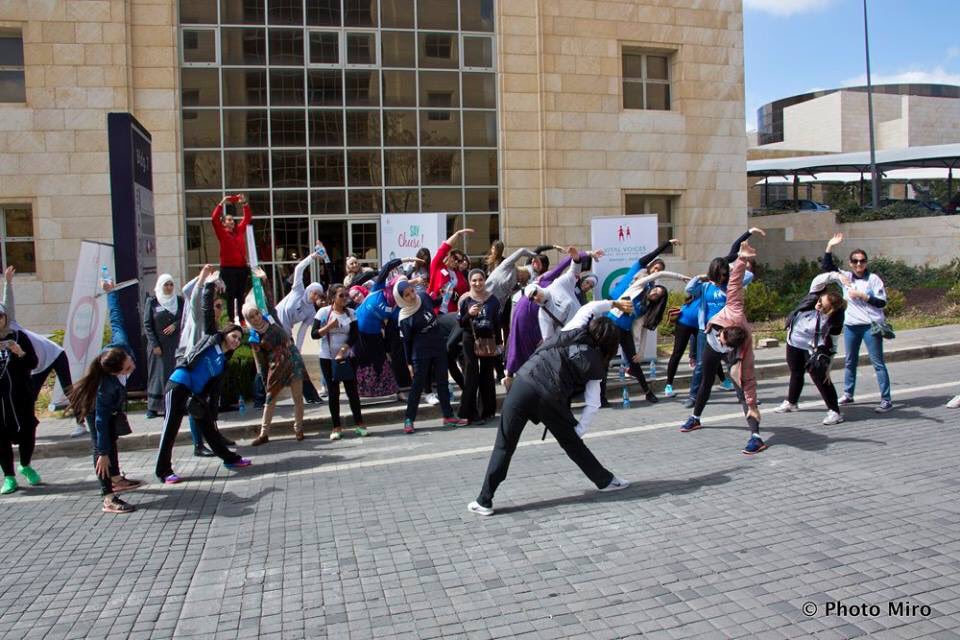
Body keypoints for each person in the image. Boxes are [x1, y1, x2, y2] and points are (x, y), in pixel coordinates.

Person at [467, 299, 634, 516]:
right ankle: (605, 481)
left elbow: (589, 308)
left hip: (523, 384)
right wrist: (578, 430)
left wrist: (614, 304)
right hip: (550, 400)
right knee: (573, 444)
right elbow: (593, 404)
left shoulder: (574, 329)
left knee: (504, 447)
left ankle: (484, 500)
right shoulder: (597, 366)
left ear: (592, 327)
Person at [155, 278, 251, 484]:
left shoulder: (223, 362)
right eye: (234, 336)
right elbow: (207, 309)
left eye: (239, 338)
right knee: (170, 427)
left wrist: (209, 407)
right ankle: (163, 471)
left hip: (195, 396)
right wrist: (209, 285)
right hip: (179, 384)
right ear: (225, 334)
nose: (236, 340)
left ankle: (231, 459)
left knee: (209, 428)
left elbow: (212, 389)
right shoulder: (211, 338)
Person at [679, 242, 765, 455]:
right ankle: (696, 417)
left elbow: (749, 382)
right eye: (721, 335)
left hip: (733, 352)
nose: (719, 337)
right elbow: (735, 282)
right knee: (706, 380)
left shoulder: (743, 351)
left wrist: (752, 404)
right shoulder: (733, 308)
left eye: (722, 339)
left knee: (742, 390)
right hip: (709, 344)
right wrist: (742, 258)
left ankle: (756, 436)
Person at [66, 280, 143, 512]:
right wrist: (102, 453)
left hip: (109, 407)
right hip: (94, 410)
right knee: (103, 445)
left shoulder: (121, 345)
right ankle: (108, 496)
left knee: (112, 438)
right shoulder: (103, 387)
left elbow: (117, 319)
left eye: (130, 362)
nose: (132, 366)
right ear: (114, 373)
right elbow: (100, 422)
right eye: (127, 369)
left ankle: (117, 478)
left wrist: (111, 293)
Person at [682, 229, 763, 408]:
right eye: (718, 275)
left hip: (728, 331)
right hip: (708, 331)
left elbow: (749, 275)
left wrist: (731, 269)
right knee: (701, 366)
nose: (722, 278)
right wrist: (701, 277)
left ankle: (745, 396)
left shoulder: (732, 285)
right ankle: (693, 397)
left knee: (735, 365)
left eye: (724, 275)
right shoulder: (705, 287)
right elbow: (689, 289)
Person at [605, 240, 686, 404]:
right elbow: (653, 264)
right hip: (612, 317)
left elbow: (643, 328)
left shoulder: (648, 298)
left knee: (633, 361)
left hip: (624, 328)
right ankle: (600, 396)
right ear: (650, 267)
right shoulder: (639, 280)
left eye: (659, 270)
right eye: (655, 268)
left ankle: (648, 392)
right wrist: (668, 244)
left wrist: (641, 351)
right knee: (605, 360)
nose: (656, 271)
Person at [822, 233, 893, 413]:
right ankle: (848, 393)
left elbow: (882, 302)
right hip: (851, 326)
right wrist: (830, 246)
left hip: (870, 326)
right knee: (850, 361)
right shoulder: (846, 277)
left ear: (866, 262)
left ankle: (886, 399)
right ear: (850, 263)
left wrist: (863, 296)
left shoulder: (873, 279)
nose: (858, 264)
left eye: (862, 261)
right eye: (855, 261)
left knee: (877, 362)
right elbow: (827, 267)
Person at [2, 266, 75, 428]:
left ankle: (82, 422)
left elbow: (8, 304)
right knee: (30, 395)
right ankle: (27, 425)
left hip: (54, 353)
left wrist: (8, 282)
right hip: (38, 363)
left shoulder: (11, 324)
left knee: (68, 389)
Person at [395, 278, 469, 433]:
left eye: (412, 291)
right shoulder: (404, 317)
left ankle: (448, 416)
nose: (412, 296)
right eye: (407, 295)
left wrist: (444, 295)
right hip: (420, 353)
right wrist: (409, 363)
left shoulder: (423, 297)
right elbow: (406, 342)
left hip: (438, 347)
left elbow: (435, 303)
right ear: (401, 298)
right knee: (417, 387)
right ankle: (409, 419)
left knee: (442, 383)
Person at [775, 272, 847, 425]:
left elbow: (833, 346)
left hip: (811, 349)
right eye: (820, 300)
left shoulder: (833, 322)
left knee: (821, 378)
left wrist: (828, 368)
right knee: (796, 372)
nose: (818, 304)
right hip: (793, 343)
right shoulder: (812, 299)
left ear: (831, 310)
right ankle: (792, 402)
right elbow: (819, 280)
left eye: (823, 306)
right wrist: (837, 276)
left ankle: (835, 411)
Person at [245, 301, 306, 446]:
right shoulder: (254, 336)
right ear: (248, 320)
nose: (256, 318)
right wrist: (264, 377)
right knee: (270, 399)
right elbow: (260, 361)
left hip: (292, 359)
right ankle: (264, 434)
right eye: (251, 317)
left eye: (257, 314)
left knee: (297, 396)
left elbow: (269, 303)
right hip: (275, 365)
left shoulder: (272, 321)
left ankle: (298, 429)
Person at [355, 258, 418, 399]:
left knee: (382, 362)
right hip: (357, 331)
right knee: (358, 361)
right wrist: (405, 259)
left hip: (374, 334)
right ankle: (354, 393)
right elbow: (386, 268)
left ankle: (400, 390)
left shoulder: (398, 304)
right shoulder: (378, 288)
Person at [312, 284, 364, 440]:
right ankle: (336, 426)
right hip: (327, 358)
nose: (345, 298)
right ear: (332, 297)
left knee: (352, 391)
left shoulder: (351, 313)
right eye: (341, 295)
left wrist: (343, 350)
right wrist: (329, 326)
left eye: (346, 295)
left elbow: (354, 334)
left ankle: (359, 423)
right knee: (333, 393)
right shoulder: (323, 312)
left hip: (346, 357)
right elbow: (314, 334)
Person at [274, 252, 325, 404]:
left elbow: (302, 331)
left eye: (318, 295)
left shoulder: (311, 312)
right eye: (314, 292)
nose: (315, 296)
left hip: (285, 334)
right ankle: (260, 399)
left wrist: (298, 348)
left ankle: (311, 396)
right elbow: (299, 269)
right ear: (309, 290)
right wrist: (312, 257)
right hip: (272, 327)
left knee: (297, 364)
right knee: (270, 364)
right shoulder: (298, 290)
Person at [0, 301, 39, 495]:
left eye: (0, 316)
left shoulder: (18, 336)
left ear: (5, 318)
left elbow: (33, 362)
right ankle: (9, 476)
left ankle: (25, 464)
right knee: (1, 436)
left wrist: (20, 352)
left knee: (27, 430)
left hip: (21, 396)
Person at [457, 269, 501, 425]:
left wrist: (499, 343)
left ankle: (487, 411)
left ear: (485, 280)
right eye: (474, 280)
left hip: (488, 339)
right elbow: (460, 323)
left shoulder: (493, 300)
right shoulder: (465, 299)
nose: (477, 283)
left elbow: (497, 323)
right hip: (470, 339)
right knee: (471, 375)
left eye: (480, 280)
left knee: (487, 375)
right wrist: (469, 314)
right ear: (470, 282)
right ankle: (468, 413)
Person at [143, 274, 183, 419]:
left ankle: (172, 405)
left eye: (171, 284)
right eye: (166, 285)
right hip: (158, 346)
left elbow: (185, 317)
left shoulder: (179, 300)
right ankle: (153, 407)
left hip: (175, 345)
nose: (169, 287)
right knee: (157, 376)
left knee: (174, 375)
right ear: (160, 286)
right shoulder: (153, 302)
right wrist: (155, 345)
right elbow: (147, 324)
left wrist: (175, 325)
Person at [211, 193, 252, 324]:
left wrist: (244, 203)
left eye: (233, 219)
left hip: (241, 268)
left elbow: (247, 218)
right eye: (229, 220)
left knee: (240, 295)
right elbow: (214, 219)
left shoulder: (239, 231)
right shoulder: (222, 233)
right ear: (223, 223)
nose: (232, 221)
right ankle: (230, 320)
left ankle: (241, 318)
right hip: (228, 269)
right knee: (230, 295)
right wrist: (221, 203)